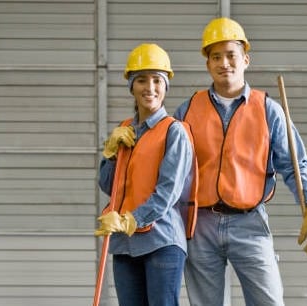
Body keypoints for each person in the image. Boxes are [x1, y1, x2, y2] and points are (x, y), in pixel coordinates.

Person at [174, 17, 307, 306]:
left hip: (250, 222)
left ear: (246, 59)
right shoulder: (189, 109)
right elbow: (170, 165)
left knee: (269, 301)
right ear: (207, 64)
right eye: (215, 56)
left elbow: (295, 166)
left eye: (231, 55)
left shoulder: (269, 110)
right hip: (200, 224)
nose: (224, 63)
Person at [94, 43, 193, 306]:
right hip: (125, 244)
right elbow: (108, 185)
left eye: (157, 80)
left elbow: (167, 194)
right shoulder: (124, 129)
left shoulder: (174, 132)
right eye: (141, 80)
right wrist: (110, 152)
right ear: (131, 86)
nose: (150, 88)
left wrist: (129, 220)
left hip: (161, 241)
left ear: (165, 86)